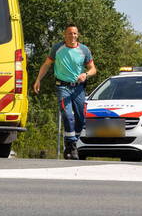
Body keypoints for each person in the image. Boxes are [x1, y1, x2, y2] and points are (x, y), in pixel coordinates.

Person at [33, 24, 96, 159]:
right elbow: (46, 65)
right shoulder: (57, 48)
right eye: (69, 33)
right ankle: (73, 147)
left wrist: (86, 74)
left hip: (79, 88)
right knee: (68, 116)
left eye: (74, 33)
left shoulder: (84, 50)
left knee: (80, 119)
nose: (72, 36)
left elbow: (93, 69)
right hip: (62, 87)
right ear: (64, 35)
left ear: (77, 35)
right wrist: (38, 80)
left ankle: (69, 145)